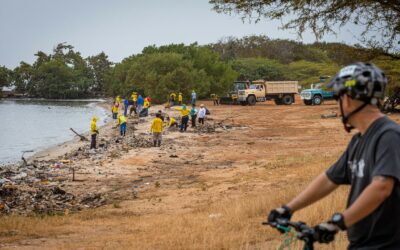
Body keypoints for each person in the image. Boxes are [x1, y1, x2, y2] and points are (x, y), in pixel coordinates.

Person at [267, 63, 400, 249]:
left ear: (347, 99)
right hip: (361, 244)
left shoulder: (389, 135)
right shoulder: (359, 140)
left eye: (338, 98)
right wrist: (288, 208)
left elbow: (382, 186)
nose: (338, 108)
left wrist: (337, 223)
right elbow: (329, 179)